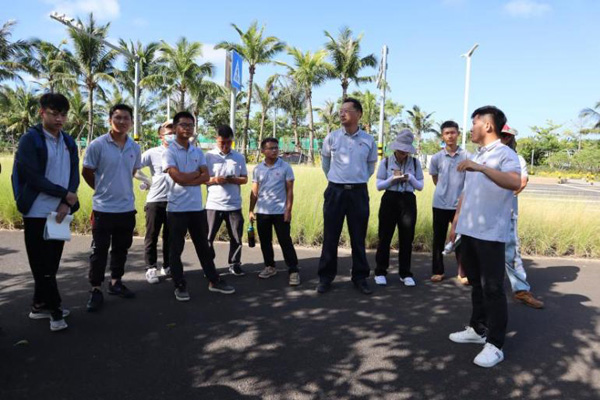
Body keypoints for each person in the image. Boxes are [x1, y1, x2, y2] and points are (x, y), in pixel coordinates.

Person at [448, 106, 522, 368]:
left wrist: (480, 168)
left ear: (488, 126)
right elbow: (467, 194)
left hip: (490, 233)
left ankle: (495, 344)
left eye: (474, 123)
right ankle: (477, 329)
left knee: (492, 288)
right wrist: (456, 223)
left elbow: (514, 181)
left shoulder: (505, 153)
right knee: (476, 285)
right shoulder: (477, 155)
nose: (470, 129)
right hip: (469, 230)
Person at [12, 93, 79, 331]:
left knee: (52, 263)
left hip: (60, 212)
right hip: (36, 211)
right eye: (54, 114)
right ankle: (55, 311)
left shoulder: (68, 141)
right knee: (42, 266)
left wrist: (67, 202)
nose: (60, 119)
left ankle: (39, 305)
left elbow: (73, 174)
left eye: (63, 114)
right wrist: (64, 194)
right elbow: (31, 176)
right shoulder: (30, 140)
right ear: (42, 113)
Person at [162, 111, 235, 302]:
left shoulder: (197, 151)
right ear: (175, 127)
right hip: (176, 209)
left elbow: (206, 176)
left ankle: (214, 280)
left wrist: (189, 178)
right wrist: (195, 175)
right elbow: (178, 177)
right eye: (183, 125)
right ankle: (179, 284)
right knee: (175, 250)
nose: (187, 128)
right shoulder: (169, 151)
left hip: (196, 208)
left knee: (203, 247)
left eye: (190, 125)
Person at [82, 104, 142, 312]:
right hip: (103, 209)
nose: (122, 121)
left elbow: (132, 171)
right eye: (118, 118)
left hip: (126, 208)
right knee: (99, 251)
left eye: (126, 118)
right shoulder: (97, 145)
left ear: (131, 122)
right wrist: (101, 190)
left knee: (121, 248)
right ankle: (95, 289)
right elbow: (87, 171)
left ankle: (116, 282)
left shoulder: (134, 148)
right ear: (110, 120)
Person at [317, 97, 378, 295]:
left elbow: (370, 166)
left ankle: (360, 277)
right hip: (335, 191)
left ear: (358, 114)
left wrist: (357, 179)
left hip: (358, 193)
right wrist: (336, 179)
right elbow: (326, 164)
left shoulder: (368, 140)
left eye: (346, 110)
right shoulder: (332, 137)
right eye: (340, 111)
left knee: (358, 237)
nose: (342, 114)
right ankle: (325, 277)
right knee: (330, 237)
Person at [500, 125, 544, 309]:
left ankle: (521, 290)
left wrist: (502, 197)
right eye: (501, 134)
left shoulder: (517, 159)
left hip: (507, 212)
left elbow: (522, 182)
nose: (504, 138)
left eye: (507, 136)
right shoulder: (484, 157)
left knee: (511, 251)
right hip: (484, 214)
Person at [373, 129, 424, 287]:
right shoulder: (385, 162)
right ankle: (380, 271)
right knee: (385, 236)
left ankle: (405, 273)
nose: (403, 154)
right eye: (401, 151)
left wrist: (410, 178)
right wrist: (392, 180)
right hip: (390, 198)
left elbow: (420, 186)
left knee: (407, 238)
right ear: (395, 148)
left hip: (408, 200)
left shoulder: (415, 163)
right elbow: (379, 186)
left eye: (406, 151)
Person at [249, 137, 299, 286]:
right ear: (263, 151)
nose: (274, 150)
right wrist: (251, 210)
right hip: (262, 211)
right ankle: (270, 266)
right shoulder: (258, 169)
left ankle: (293, 270)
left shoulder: (285, 167)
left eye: (276, 148)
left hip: (280, 211)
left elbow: (290, 191)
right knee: (265, 241)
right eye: (271, 148)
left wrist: (288, 210)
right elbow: (254, 192)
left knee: (285, 241)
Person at [205, 125, 248, 276]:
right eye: (221, 142)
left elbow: (244, 179)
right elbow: (202, 179)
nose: (225, 146)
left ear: (232, 140)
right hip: (213, 204)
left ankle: (235, 264)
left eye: (228, 142)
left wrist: (233, 179)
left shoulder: (239, 157)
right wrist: (215, 180)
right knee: (208, 237)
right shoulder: (208, 156)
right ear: (216, 140)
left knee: (236, 237)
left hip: (233, 204)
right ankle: (209, 265)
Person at [429, 121, 468, 284]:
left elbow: (470, 180)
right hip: (440, 204)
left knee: (461, 239)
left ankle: (463, 273)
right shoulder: (436, 158)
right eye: (447, 133)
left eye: (453, 132)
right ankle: (438, 271)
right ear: (442, 136)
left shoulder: (467, 156)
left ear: (458, 134)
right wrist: (444, 190)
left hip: (460, 205)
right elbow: (435, 178)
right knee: (438, 239)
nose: (450, 136)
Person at [137, 120, 175, 284]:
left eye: (174, 132)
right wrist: (147, 180)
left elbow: (193, 136)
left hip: (174, 200)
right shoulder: (152, 152)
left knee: (170, 236)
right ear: (161, 136)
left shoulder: (179, 152)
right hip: (155, 200)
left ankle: (167, 265)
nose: (172, 135)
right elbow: (134, 167)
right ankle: (151, 267)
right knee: (152, 235)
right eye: (169, 133)